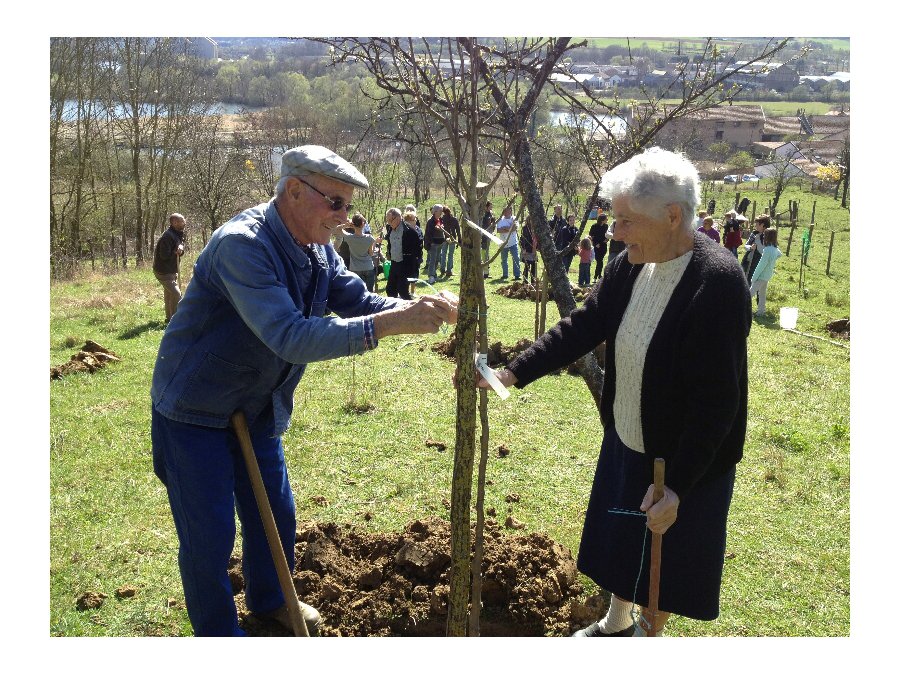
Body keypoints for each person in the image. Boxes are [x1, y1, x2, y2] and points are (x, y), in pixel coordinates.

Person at [150, 145, 458, 637]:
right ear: (294, 190)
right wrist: (391, 324)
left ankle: (270, 600)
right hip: (194, 408)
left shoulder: (315, 247)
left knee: (276, 512)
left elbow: (356, 297)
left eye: (347, 206)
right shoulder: (242, 246)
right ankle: (219, 637)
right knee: (208, 535)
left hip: (255, 406)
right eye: (335, 203)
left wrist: (417, 307)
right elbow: (289, 335)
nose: (343, 217)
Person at [476, 147, 751, 637]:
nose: (615, 233)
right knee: (625, 539)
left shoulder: (718, 283)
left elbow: (717, 405)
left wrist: (680, 488)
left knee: (664, 553)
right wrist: (514, 372)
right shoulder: (630, 262)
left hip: (686, 454)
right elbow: (588, 323)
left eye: (626, 221)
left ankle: (646, 632)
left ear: (672, 216)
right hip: (629, 435)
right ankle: (615, 621)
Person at [153, 213, 187, 322]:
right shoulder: (167, 237)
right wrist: (177, 251)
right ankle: (176, 320)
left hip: (172, 270)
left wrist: (181, 247)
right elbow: (164, 256)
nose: (184, 222)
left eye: (183, 220)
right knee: (176, 294)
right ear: (174, 223)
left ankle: (169, 319)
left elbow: (180, 244)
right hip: (163, 272)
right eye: (181, 221)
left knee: (169, 295)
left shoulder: (178, 233)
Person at [387, 209, 424, 299]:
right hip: (394, 263)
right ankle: (393, 309)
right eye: (387, 220)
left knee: (403, 291)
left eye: (390, 220)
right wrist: (388, 252)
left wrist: (415, 265)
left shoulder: (409, 231)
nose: (388, 222)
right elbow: (389, 242)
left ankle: (411, 309)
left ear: (398, 218)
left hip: (405, 264)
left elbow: (417, 249)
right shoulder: (389, 228)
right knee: (390, 290)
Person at [749, 226, 782, 317]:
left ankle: (740, 309)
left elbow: (761, 265)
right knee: (762, 293)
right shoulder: (774, 249)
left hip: (761, 276)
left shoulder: (767, 250)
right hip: (767, 275)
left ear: (767, 237)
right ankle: (761, 311)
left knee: (750, 293)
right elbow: (780, 254)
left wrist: (754, 277)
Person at [342, 212, 379, 292]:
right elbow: (371, 253)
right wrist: (375, 242)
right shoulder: (369, 238)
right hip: (368, 267)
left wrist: (347, 225)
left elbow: (337, 229)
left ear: (353, 224)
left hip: (355, 268)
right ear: (363, 225)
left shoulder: (349, 237)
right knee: (369, 292)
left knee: (357, 292)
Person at [496, 205, 521, 281]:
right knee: (504, 259)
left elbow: (514, 228)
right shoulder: (500, 220)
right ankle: (505, 274)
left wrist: (506, 228)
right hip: (503, 243)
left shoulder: (514, 218)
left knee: (516, 258)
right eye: (505, 211)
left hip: (513, 243)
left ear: (510, 211)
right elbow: (498, 230)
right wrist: (509, 228)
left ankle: (517, 275)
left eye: (508, 210)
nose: (506, 212)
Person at [741, 214, 769, 282]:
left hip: (758, 262)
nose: (755, 225)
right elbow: (746, 246)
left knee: (753, 280)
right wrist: (750, 248)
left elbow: (763, 251)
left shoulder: (768, 235)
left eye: (757, 224)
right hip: (748, 260)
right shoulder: (754, 233)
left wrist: (758, 241)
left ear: (762, 225)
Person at [423, 204, 446, 284]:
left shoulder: (440, 219)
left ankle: (434, 275)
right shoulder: (431, 221)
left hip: (440, 243)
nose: (441, 212)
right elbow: (428, 234)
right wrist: (428, 244)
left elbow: (441, 229)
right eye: (440, 211)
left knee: (437, 260)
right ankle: (431, 276)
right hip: (433, 244)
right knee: (432, 260)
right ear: (435, 211)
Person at [441, 205, 461, 278]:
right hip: (452, 238)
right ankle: (449, 270)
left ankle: (442, 269)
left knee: (443, 254)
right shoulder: (454, 219)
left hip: (444, 238)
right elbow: (458, 231)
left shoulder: (442, 219)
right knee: (450, 255)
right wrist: (459, 241)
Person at [589, 213, 609, 281]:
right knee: (599, 261)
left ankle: (598, 276)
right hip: (597, 246)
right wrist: (595, 244)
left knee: (600, 261)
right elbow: (591, 236)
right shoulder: (594, 226)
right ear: (602, 220)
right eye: (606, 219)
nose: (607, 220)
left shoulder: (606, 226)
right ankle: (597, 276)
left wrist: (607, 240)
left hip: (603, 246)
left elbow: (607, 235)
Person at [520, 215, 538, 284]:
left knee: (534, 266)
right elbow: (523, 239)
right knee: (527, 266)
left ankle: (533, 281)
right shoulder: (525, 228)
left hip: (534, 249)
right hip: (527, 249)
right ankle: (525, 281)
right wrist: (524, 249)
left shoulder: (535, 228)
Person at [481, 201, 496, 278]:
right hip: (482, 237)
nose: (491, 208)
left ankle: (486, 272)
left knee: (486, 254)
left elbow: (494, 224)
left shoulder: (491, 214)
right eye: (490, 206)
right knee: (484, 254)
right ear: (486, 207)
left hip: (488, 236)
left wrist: (492, 231)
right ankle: (484, 272)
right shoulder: (482, 215)